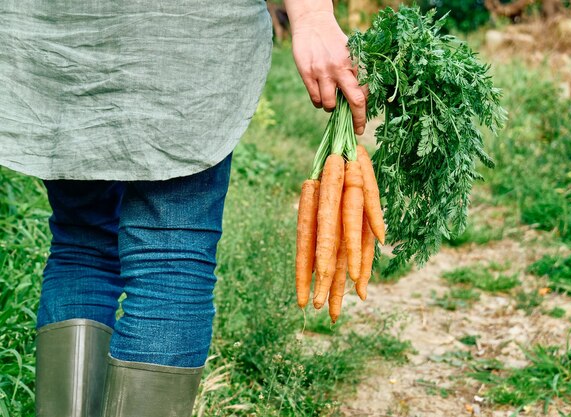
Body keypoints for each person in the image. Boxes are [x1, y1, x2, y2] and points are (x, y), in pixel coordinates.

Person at [0, 1, 367, 416]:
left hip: (64, 27)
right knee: (171, 255)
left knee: (82, 241)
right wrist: (312, 15)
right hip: (182, 30)